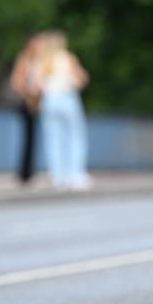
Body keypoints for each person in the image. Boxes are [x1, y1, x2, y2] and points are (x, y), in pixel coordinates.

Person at [31, 30, 91, 190]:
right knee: (75, 136)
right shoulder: (67, 58)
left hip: (49, 100)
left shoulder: (42, 61)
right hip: (67, 98)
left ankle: (58, 176)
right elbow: (81, 79)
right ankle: (76, 175)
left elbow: (35, 86)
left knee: (54, 139)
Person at [9, 34, 44, 182]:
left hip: (36, 104)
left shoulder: (39, 62)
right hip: (26, 103)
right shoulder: (24, 60)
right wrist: (27, 94)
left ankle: (29, 171)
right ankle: (24, 172)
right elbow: (16, 83)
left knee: (33, 138)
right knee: (28, 138)